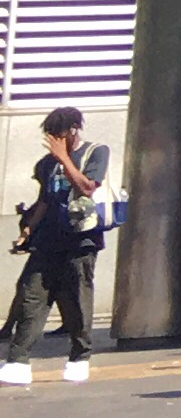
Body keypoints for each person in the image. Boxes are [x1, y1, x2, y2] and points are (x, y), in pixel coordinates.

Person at [1, 109, 106, 383]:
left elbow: (87, 187)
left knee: (75, 300)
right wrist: (28, 229)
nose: (54, 141)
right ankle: (18, 359)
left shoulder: (95, 152)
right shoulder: (46, 164)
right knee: (30, 295)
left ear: (73, 129)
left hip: (80, 240)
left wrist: (64, 159)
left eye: (57, 134)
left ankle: (79, 355)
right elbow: (45, 199)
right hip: (47, 240)